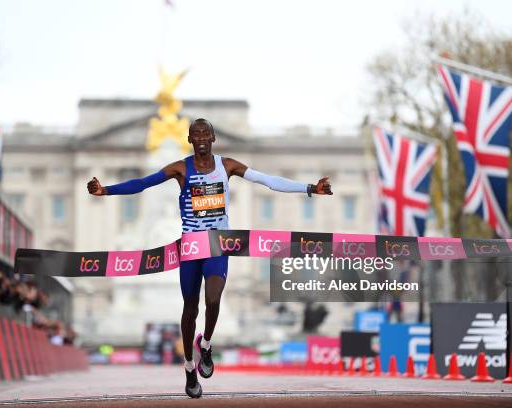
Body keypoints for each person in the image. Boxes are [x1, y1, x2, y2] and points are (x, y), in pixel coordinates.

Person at [87, 118, 333, 398]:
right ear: (190, 139)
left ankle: (205, 344)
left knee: (213, 300)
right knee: (189, 309)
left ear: (213, 137)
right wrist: (105, 190)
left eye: (206, 132)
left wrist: (310, 188)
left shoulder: (226, 165)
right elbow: (143, 183)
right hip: (191, 246)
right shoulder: (180, 169)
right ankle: (190, 367)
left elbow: (268, 181)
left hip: (217, 244)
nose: (201, 137)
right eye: (196, 133)